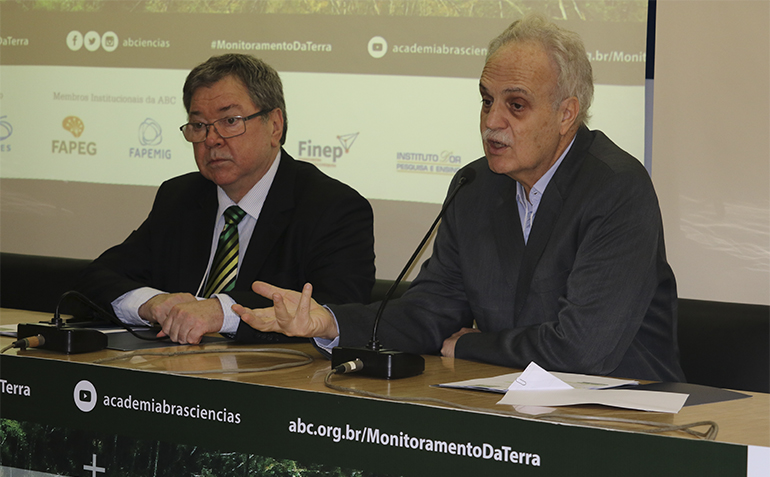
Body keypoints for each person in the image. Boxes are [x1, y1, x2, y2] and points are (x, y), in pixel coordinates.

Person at [232, 15, 685, 382]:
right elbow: (429, 312)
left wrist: (470, 344)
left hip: (626, 417)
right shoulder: (476, 186)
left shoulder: (615, 188)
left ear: (566, 114)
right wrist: (327, 323)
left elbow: (583, 349)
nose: (491, 121)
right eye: (487, 100)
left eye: (516, 105)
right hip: (515, 405)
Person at [76, 54, 375, 345]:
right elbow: (96, 280)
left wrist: (222, 313)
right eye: (198, 125)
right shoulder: (179, 198)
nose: (211, 139)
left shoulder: (333, 208)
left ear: (275, 125)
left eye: (230, 121)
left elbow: (337, 313)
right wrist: (151, 304)